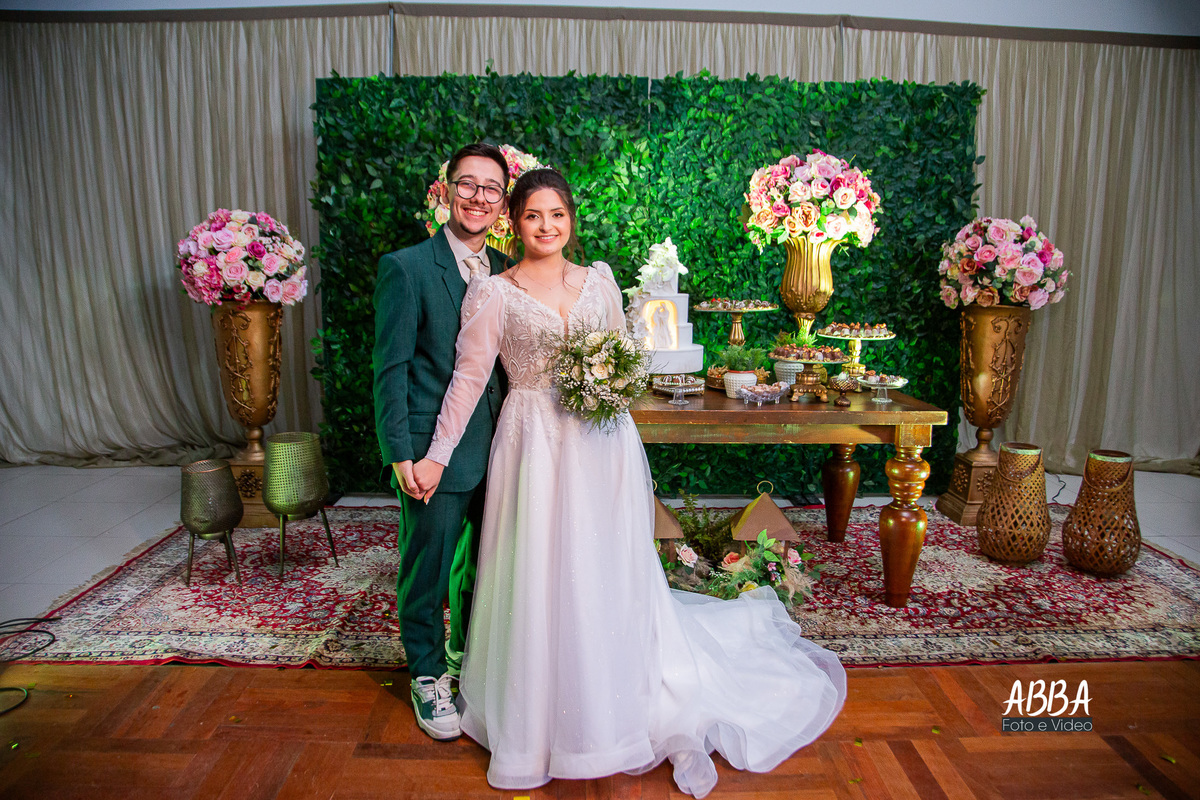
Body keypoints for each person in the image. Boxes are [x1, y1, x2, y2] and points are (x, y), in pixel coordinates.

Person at [410, 168, 846, 797]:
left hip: (601, 442)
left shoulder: (600, 281)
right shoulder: (493, 292)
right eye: (532, 215)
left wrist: (610, 383)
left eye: (557, 214)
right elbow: (469, 379)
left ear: (571, 219)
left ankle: (616, 690)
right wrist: (437, 456)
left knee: (603, 563)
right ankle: (539, 713)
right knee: (538, 567)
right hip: (532, 446)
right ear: (514, 222)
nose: (546, 226)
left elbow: (621, 356)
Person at [372, 143, 515, 741]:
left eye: (491, 188)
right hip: (434, 453)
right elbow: (391, 369)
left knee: (486, 566)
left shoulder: (510, 268)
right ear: (446, 189)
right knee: (426, 569)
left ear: (502, 202)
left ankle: (466, 658)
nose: (478, 197)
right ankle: (427, 675)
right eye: (468, 184)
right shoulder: (406, 268)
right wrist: (401, 454)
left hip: (506, 448)